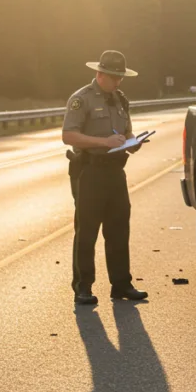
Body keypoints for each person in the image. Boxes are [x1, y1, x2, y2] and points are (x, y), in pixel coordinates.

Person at [62, 50, 149, 305]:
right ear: (100, 74)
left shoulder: (120, 99)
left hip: (115, 171)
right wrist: (104, 142)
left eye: (120, 77)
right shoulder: (82, 99)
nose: (118, 82)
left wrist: (133, 142)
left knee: (119, 229)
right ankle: (83, 286)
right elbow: (68, 135)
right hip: (89, 171)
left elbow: (126, 131)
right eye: (113, 77)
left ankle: (121, 284)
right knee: (87, 231)